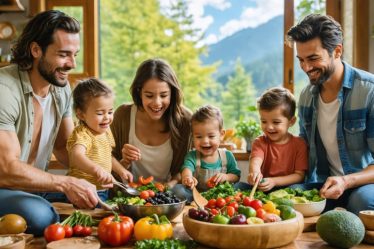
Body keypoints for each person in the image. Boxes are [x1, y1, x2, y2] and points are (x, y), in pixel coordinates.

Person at [0, 10, 101, 236]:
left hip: (36, 187)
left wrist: (101, 172)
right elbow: (6, 169)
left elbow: (65, 148)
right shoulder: (4, 90)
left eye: (75, 54)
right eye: (64, 54)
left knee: (99, 197)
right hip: (4, 186)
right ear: (36, 50)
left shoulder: (61, 89)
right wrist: (65, 183)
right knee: (42, 216)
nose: (72, 64)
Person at [287, 14, 374, 214]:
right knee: (289, 195)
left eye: (313, 58)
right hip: (326, 184)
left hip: (361, 184)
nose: (306, 68)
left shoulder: (369, 91)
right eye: (301, 60)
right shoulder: (307, 96)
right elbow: (304, 147)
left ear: (337, 51)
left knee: (361, 203)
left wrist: (346, 181)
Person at [111, 58, 192, 188]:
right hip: (128, 195)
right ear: (139, 92)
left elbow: (187, 167)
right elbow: (104, 162)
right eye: (149, 95)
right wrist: (124, 162)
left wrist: (168, 186)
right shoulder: (122, 115)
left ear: (172, 93)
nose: (157, 103)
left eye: (164, 95)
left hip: (166, 196)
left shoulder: (185, 120)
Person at [67, 78, 133, 201]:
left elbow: (108, 156)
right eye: (100, 113)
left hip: (102, 190)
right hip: (82, 192)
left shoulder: (106, 131)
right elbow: (76, 156)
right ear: (81, 114)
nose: (107, 118)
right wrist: (97, 170)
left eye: (110, 112)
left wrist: (121, 170)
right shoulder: (82, 134)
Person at [247, 87, 308, 192]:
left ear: (291, 121)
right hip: (265, 188)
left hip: (289, 190)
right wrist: (254, 173)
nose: (269, 127)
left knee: (298, 188)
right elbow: (255, 161)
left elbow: (299, 176)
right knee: (239, 186)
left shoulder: (299, 144)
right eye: (264, 121)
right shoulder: (260, 142)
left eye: (276, 122)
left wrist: (274, 181)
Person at [177, 105, 240, 201]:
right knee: (178, 190)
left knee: (242, 186)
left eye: (211, 136)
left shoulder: (227, 156)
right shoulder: (192, 156)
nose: (205, 141)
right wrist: (188, 178)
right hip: (197, 196)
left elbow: (236, 176)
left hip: (222, 197)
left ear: (221, 135)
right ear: (193, 137)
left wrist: (226, 177)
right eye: (199, 137)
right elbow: (187, 169)